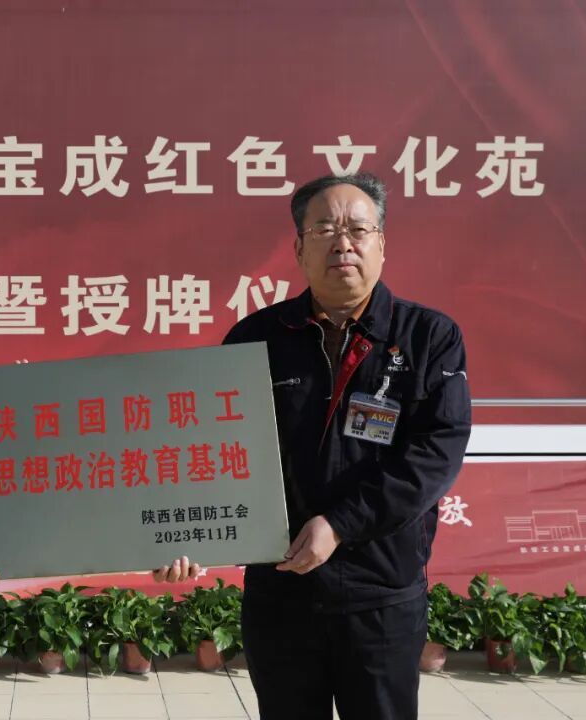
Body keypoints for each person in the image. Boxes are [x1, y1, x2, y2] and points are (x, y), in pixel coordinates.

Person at [158, 173, 471, 720]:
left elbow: (433, 455)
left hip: (380, 594)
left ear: (381, 244)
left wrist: (341, 523)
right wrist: (183, 534)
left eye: (357, 229)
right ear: (299, 248)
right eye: (324, 229)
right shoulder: (255, 339)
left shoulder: (428, 337)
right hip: (281, 593)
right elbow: (210, 451)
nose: (342, 243)